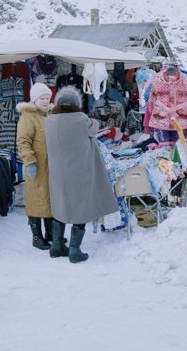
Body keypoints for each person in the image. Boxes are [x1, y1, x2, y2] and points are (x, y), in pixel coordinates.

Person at [45, 86, 119, 263]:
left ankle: (56, 245)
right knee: (80, 208)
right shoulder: (82, 119)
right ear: (76, 103)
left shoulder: (49, 120)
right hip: (78, 172)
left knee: (60, 205)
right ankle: (74, 250)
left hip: (57, 173)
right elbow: (95, 127)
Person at [16, 82, 54, 250]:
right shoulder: (27, 116)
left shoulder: (51, 115)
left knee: (50, 199)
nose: (45, 101)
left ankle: (51, 234)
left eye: (47, 98)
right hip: (36, 166)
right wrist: (29, 161)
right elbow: (23, 141)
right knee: (36, 200)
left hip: (52, 166)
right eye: (42, 98)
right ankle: (36, 237)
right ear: (34, 99)